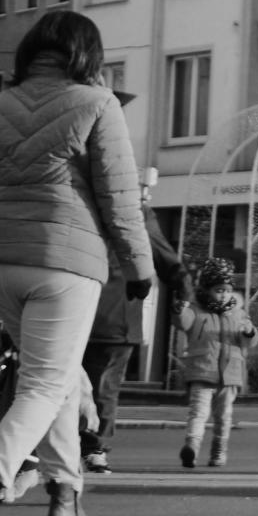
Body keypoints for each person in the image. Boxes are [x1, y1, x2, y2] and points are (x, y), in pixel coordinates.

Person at [0, 9, 155, 516]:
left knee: (54, 379)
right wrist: (140, 269)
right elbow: (119, 198)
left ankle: (66, 500)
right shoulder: (98, 103)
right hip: (66, 262)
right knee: (45, 381)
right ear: (88, 54)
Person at [81, 169, 182, 475]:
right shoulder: (134, 211)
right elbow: (164, 257)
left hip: (70, 310)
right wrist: (187, 292)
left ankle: (43, 451)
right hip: (114, 317)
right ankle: (93, 447)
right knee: (103, 388)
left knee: (50, 383)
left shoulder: (75, 201)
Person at [174, 258, 257, 469]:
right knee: (198, 413)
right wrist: (179, 310)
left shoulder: (238, 313)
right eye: (218, 290)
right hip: (201, 371)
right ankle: (192, 447)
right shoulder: (196, 310)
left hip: (229, 375)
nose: (224, 295)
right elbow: (183, 322)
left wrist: (249, 333)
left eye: (227, 290)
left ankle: (219, 450)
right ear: (207, 290)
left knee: (223, 417)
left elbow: (249, 341)